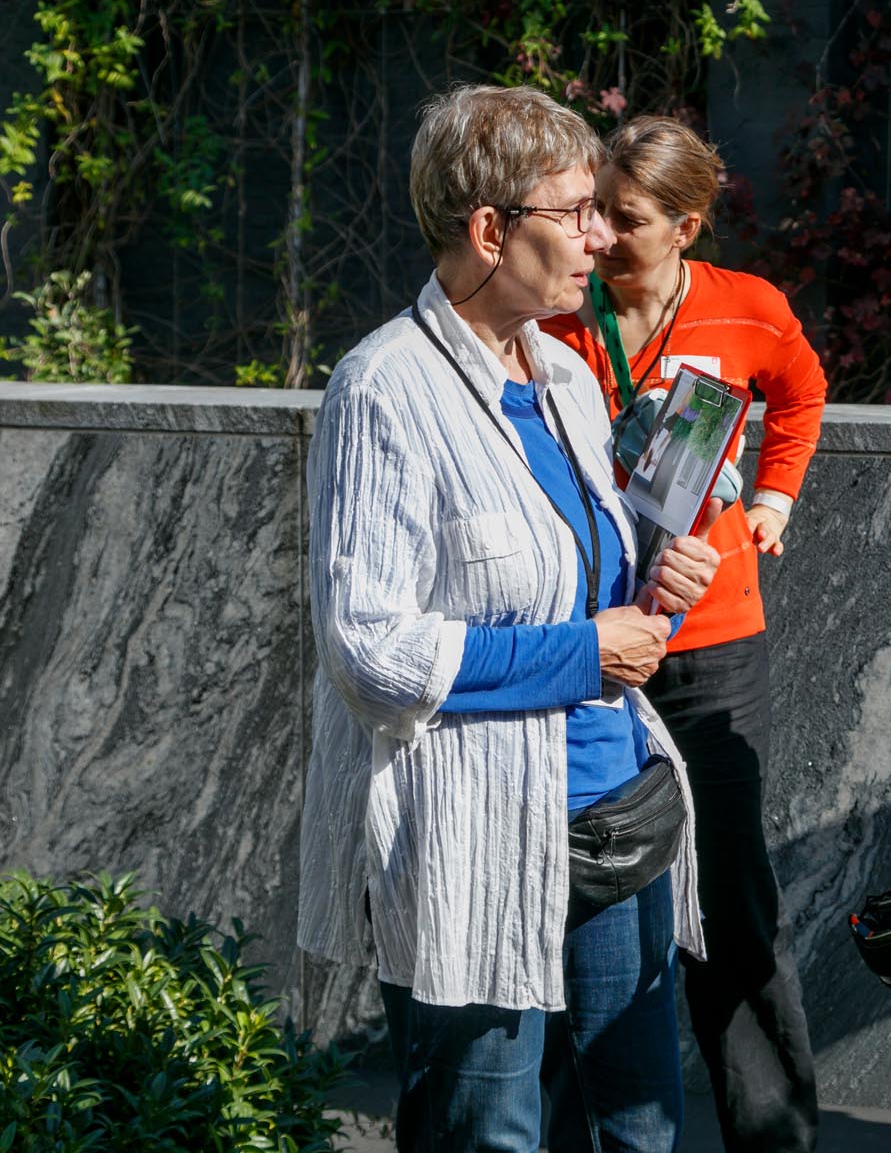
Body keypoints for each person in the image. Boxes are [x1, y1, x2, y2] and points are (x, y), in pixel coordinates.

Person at [296, 84, 724, 1153]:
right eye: (574, 211)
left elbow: (569, 578)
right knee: (487, 1131)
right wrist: (589, 650)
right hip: (473, 840)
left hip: (618, 815)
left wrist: (646, 575)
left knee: (639, 1122)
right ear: (490, 230)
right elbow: (374, 649)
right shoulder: (384, 388)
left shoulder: (570, 375)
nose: (598, 237)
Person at [541, 114, 828, 1153]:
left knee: (734, 901)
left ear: (689, 225)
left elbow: (801, 392)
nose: (601, 238)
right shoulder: (556, 319)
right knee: (579, 890)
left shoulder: (749, 311)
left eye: (626, 219)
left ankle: (775, 1138)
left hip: (712, 646)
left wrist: (777, 499)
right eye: (592, 214)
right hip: (589, 642)